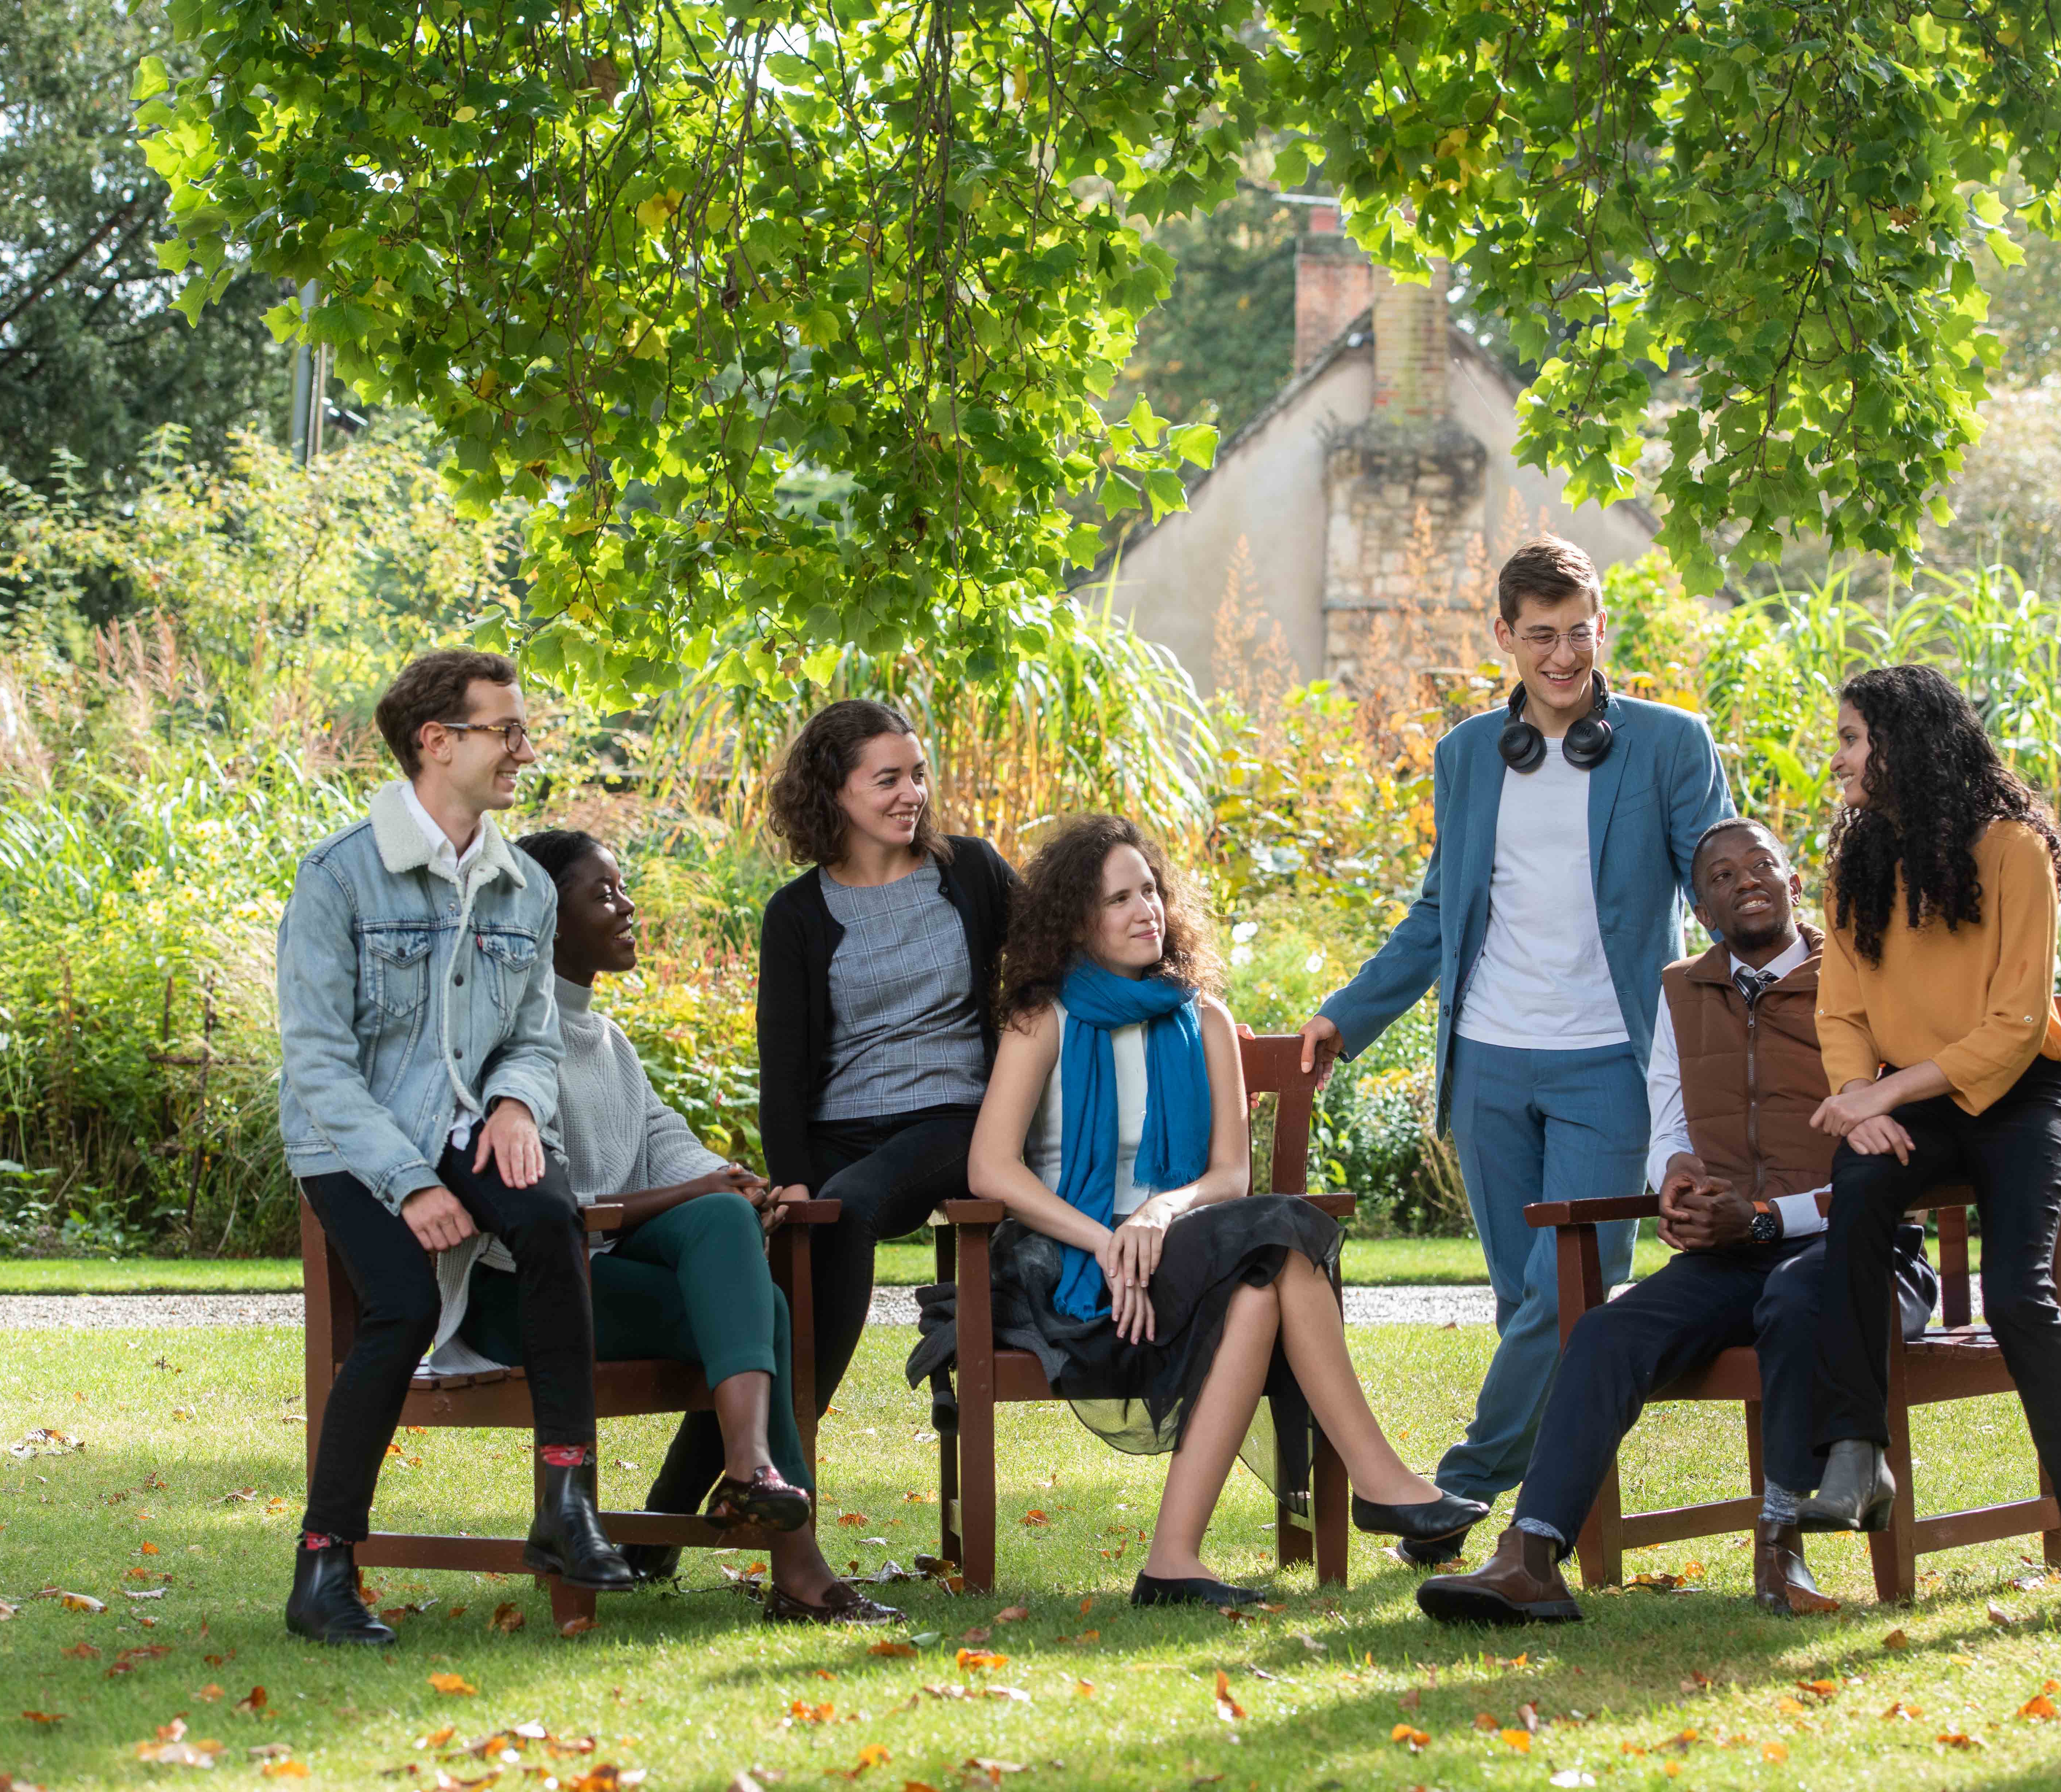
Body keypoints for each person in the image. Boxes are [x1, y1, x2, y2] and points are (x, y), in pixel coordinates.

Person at [922, 814, 1486, 1607]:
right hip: (1061, 1272)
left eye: (1149, 889)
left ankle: (1175, 1561)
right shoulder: (1041, 1018)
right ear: (1076, 919)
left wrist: (1156, 1213)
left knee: (1263, 1269)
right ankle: (1375, 1481)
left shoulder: (1205, 1020)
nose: (1143, 909)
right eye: (1117, 898)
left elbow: (1227, 1175)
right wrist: (1106, 1238)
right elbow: (991, 1167)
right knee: (1271, 1259)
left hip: (1177, 1258)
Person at [1302, 536, 1733, 1561]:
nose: (1562, 656)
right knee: (1524, 1306)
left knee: (1565, 1296)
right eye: (1540, 637)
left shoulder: (1672, 745)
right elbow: (1437, 914)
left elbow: (1723, 889)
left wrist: (1789, 1000)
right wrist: (1347, 1016)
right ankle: (1551, 1517)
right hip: (1489, 1063)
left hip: (1609, 1065)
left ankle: (1452, 1490)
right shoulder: (1463, 757)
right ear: (1504, 637)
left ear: (1600, 631)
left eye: (1578, 635)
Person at [1415, 819, 1939, 1624]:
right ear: (1700, 909)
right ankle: (1529, 1556)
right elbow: (1667, 1119)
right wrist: (1675, 1180)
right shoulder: (1679, 988)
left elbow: (1901, 1148)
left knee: (1797, 1299)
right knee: (1601, 1332)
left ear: (1794, 882)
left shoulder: (1859, 975)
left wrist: (1766, 1218)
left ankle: (1781, 1549)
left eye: (1761, 863)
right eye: (1722, 876)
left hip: (1861, 1255)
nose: (1746, 880)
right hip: (1730, 1254)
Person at [428, 830, 903, 1625]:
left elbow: (662, 1145)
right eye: (604, 892)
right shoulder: (504, 1042)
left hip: (601, 1273)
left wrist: (737, 1182)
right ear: (546, 916)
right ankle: (795, 1559)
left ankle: (755, 1475)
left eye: (623, 887)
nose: (627, 904)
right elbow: (543, 1209)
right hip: (517, 1293)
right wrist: (701, 1188)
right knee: (769, 1309)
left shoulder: (605, 1040)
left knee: (721, 1216)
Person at [274, 649, 627, 1646]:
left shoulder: (520, 885)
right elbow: (317, 1062)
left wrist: (517, 1105)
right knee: (403, 1306)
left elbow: (530, 1035)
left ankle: (566, 1506)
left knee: (553, 1220)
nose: (524, 749)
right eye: (504, 730)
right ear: (438, 743)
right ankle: (324, 1570)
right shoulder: (339, 876)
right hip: (354, 1139)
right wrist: (407, 1183)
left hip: (471, 1122)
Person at [630, 699, 1016, 1577]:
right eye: (887, 778)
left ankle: (747, 1492)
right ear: (834, 791)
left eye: (917, 773)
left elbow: (1050, 958)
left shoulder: (975, 874)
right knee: (776, 1325)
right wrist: (796, 1181)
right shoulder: (797, 912)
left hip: (960, 1121)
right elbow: (786, 1068)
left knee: (849, 1208)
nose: (911, 792)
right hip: (842, 1140)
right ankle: (659, 1524)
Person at [1797, 665, 2061, 1610]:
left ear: (1905, 746)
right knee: (1857, 1202)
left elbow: (2015, 1023)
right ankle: (1857, 1453)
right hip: (1914, 1106)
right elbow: (1839, 1011)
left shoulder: (2012, 850)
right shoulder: (1857, 864)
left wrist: (1886, 1092)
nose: (1837, 760)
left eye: (1851, 740)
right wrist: (1855, 1098)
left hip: (2019, 1100)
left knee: (2018, 1297)